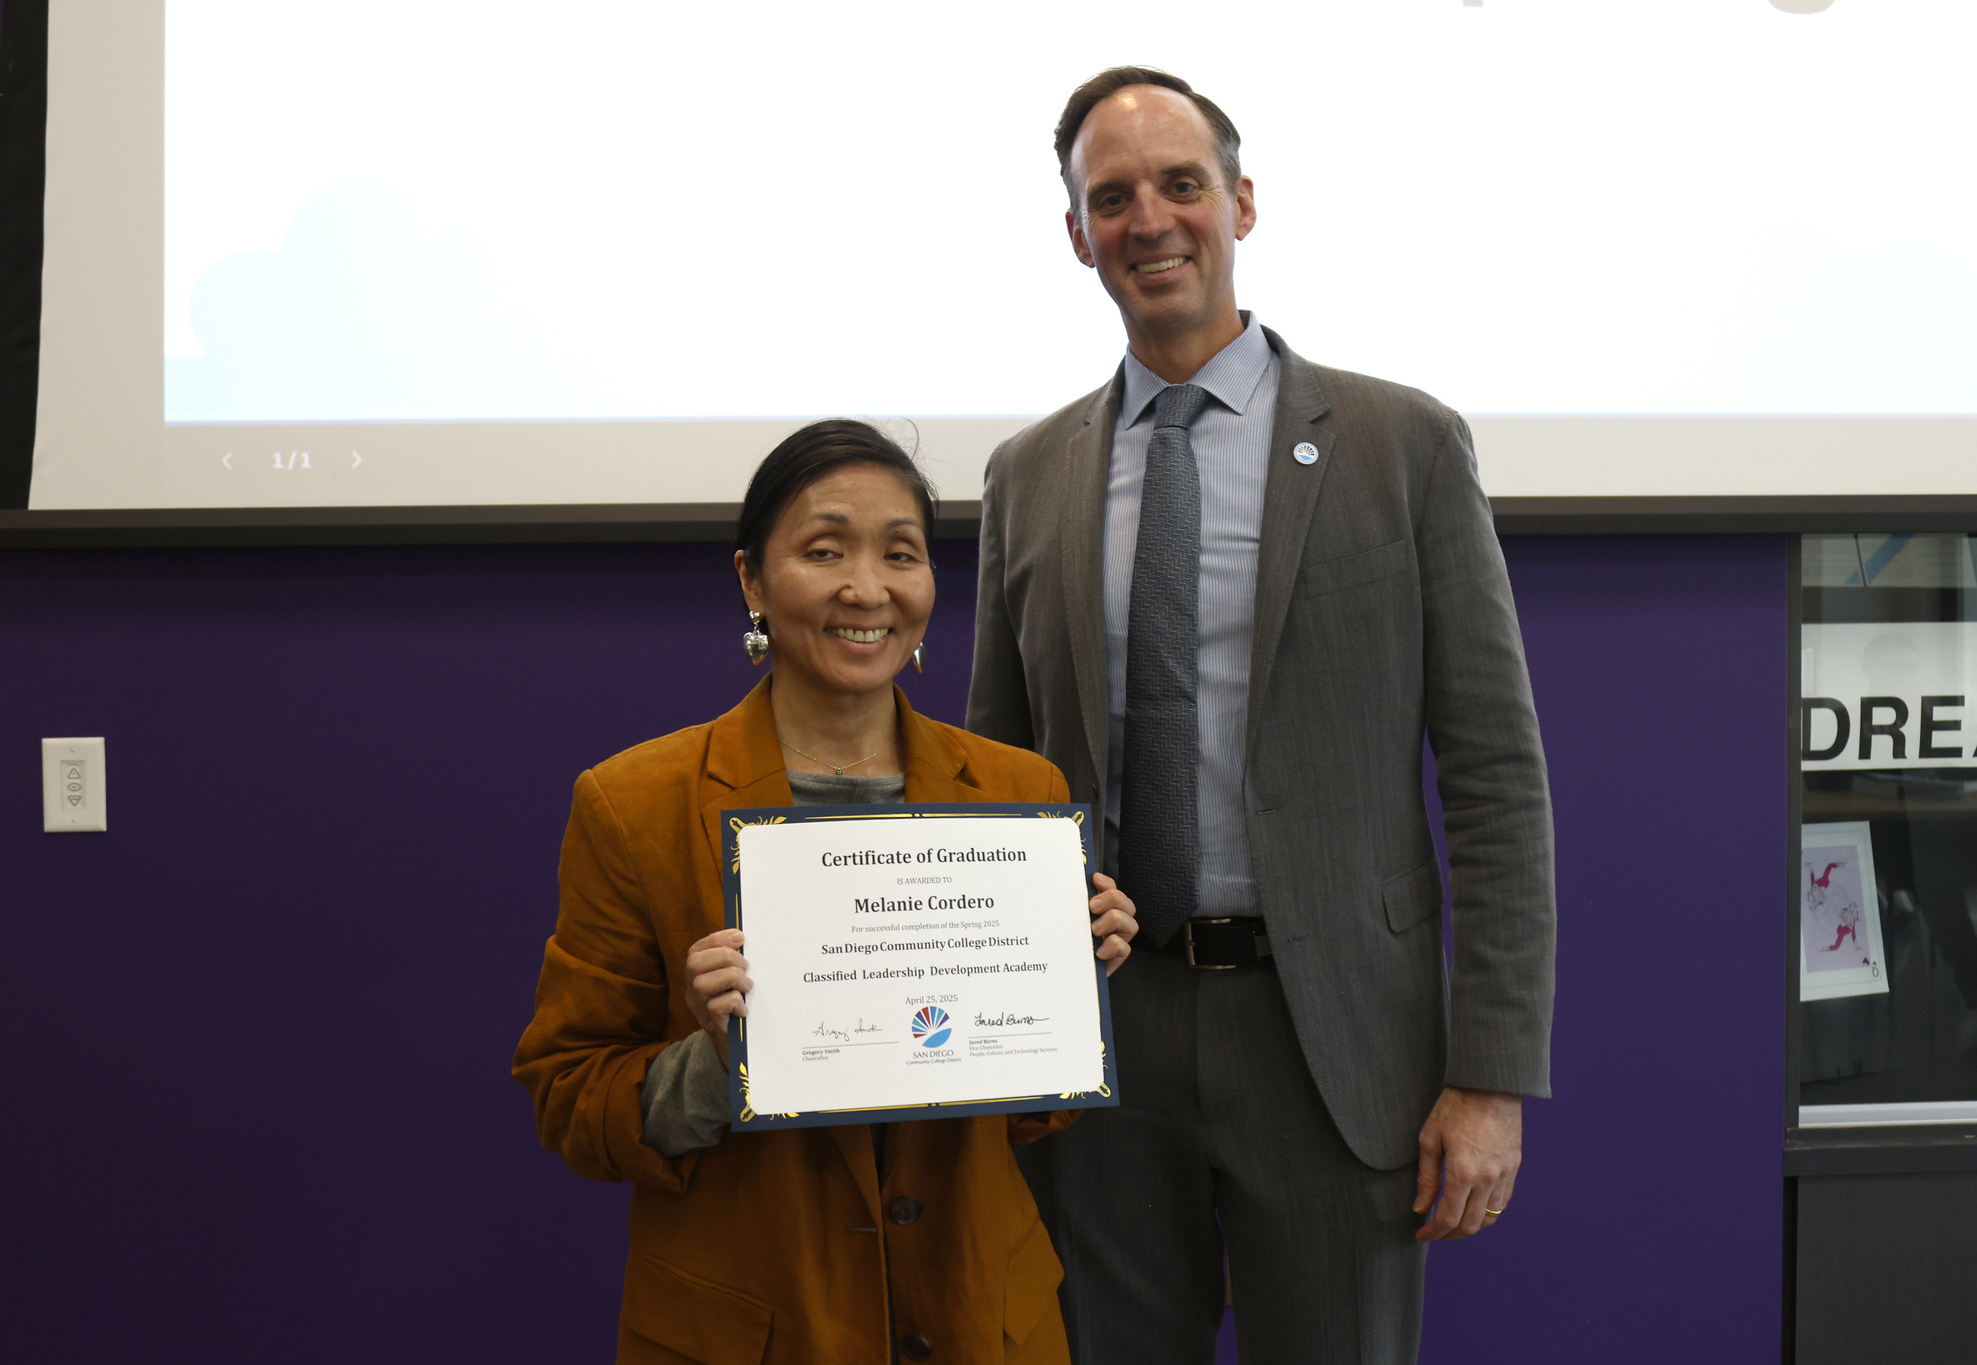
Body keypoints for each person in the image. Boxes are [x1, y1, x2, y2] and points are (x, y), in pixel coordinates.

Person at [966, 68, 1556, 1364]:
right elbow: (990, 786)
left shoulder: (1402, 443)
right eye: (1110, 197)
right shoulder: (1026, 479)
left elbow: (1498, 776)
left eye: (1180, 184)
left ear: (1240, 201)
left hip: (1334, 1042)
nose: (1151, 219)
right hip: (1103, 1042)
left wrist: (1492, 1074)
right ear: (1076, 236)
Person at [514, 420, 1140, 1365]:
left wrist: (1072, 986)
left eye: (901, 553)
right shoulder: (633, 802)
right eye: (824, 549)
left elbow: (1028, 1112)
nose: (867, 587)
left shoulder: (1023, 795)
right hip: (754, 1330)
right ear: (753, 581)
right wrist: (718, 1058)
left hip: (983, 1317)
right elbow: (568, 1098)